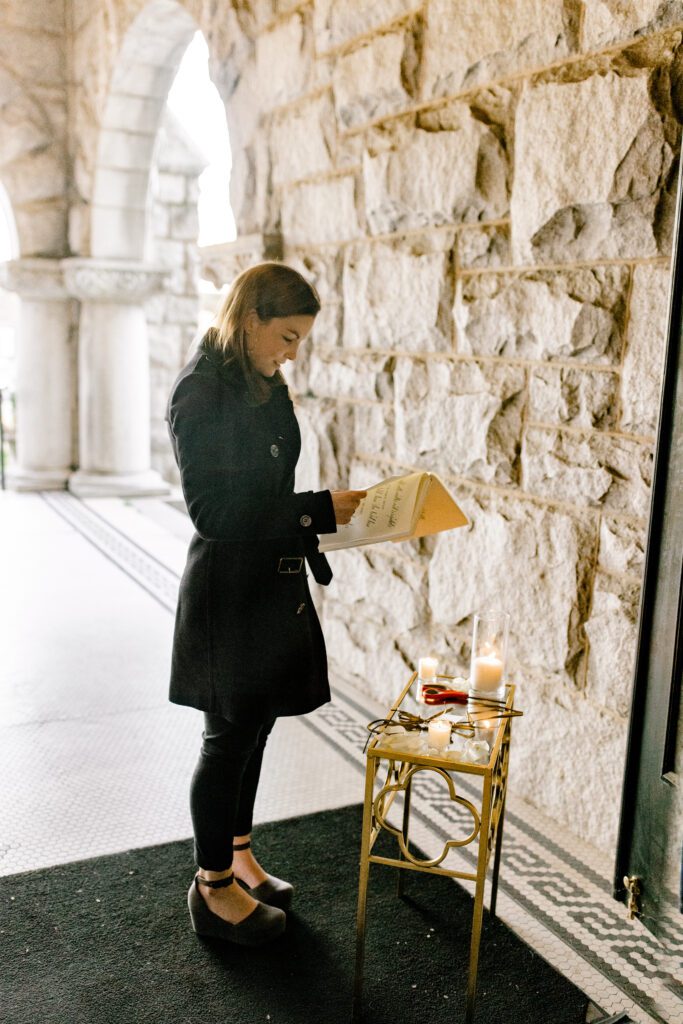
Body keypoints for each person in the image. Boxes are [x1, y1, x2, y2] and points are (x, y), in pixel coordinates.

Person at [166, 262, 366, 946]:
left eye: (300, 340)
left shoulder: (263, 383)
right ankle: (211, 889)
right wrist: (315, 511)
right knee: (226, 739)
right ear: (247, 319)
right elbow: (212, 512)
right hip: (228, 594)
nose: (291, 353)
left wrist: (323, 518)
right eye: (285, 336)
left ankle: (240, 853)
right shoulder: (199, 392)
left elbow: (268, 488)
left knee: (256, 728)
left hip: (272, 586)